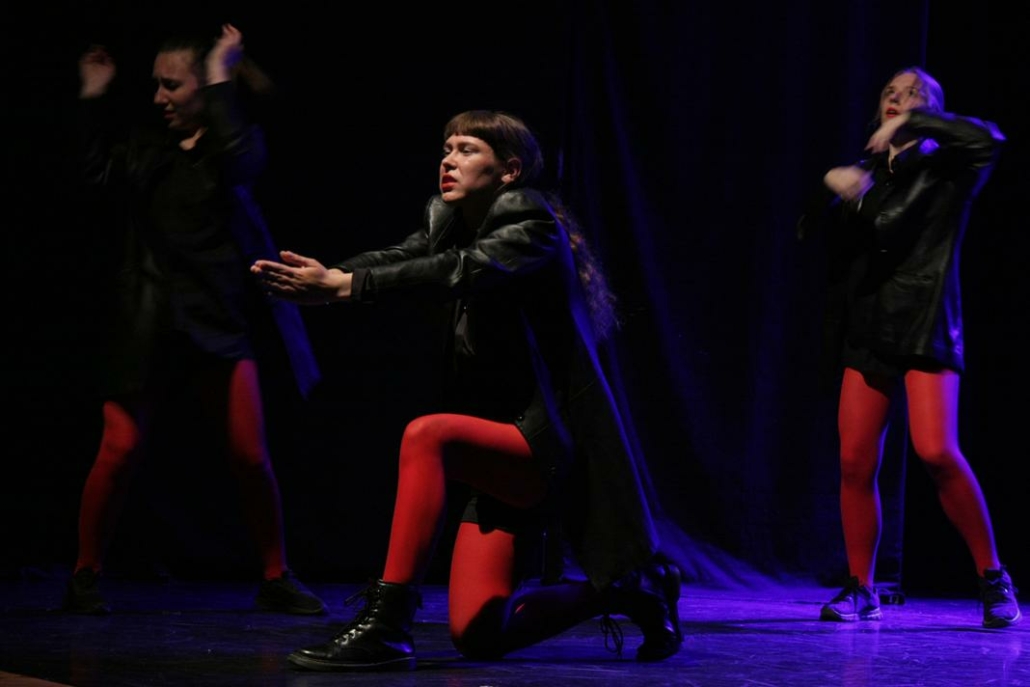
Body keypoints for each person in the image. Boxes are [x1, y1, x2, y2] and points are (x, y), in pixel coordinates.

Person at [251, 109, 683, 670]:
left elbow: (464, 268)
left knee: (427, 436)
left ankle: (387, 626)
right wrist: (328, 280)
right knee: (478, 637)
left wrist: (346, 286)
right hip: (498, 446)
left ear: (509, 170)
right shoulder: (449, 219)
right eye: (446, 148)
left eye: (467, 149)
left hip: (546, 438)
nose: (448, 160)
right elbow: (405, 258)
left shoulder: (531, 221)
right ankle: (628, 591)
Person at [64, 23, 325, 616]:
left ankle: (276, 576)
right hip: (147, 317)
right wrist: (93, 95)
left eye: (172, 85)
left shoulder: (233, 147)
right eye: (156, 84)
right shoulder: (143, 149)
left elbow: (238, 163)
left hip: (215, 318)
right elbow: (93, 175)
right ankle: (83, 575)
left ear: (204, 89)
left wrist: (220, 80)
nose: (159, 97)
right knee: (119, 448)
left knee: (250, 454)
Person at [797, 66, 1020, 628]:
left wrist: (917, 122)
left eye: (915, 94)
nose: (900, 99)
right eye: (891, 94)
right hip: (869, 322)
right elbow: (806, 232)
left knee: (936, 451)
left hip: (924, 319)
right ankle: (861, 588)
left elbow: (989, 138)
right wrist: (828, 187)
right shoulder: (868, 173)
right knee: (854, 461)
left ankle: (994, 578)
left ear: (932, 110)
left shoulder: (950, 165)